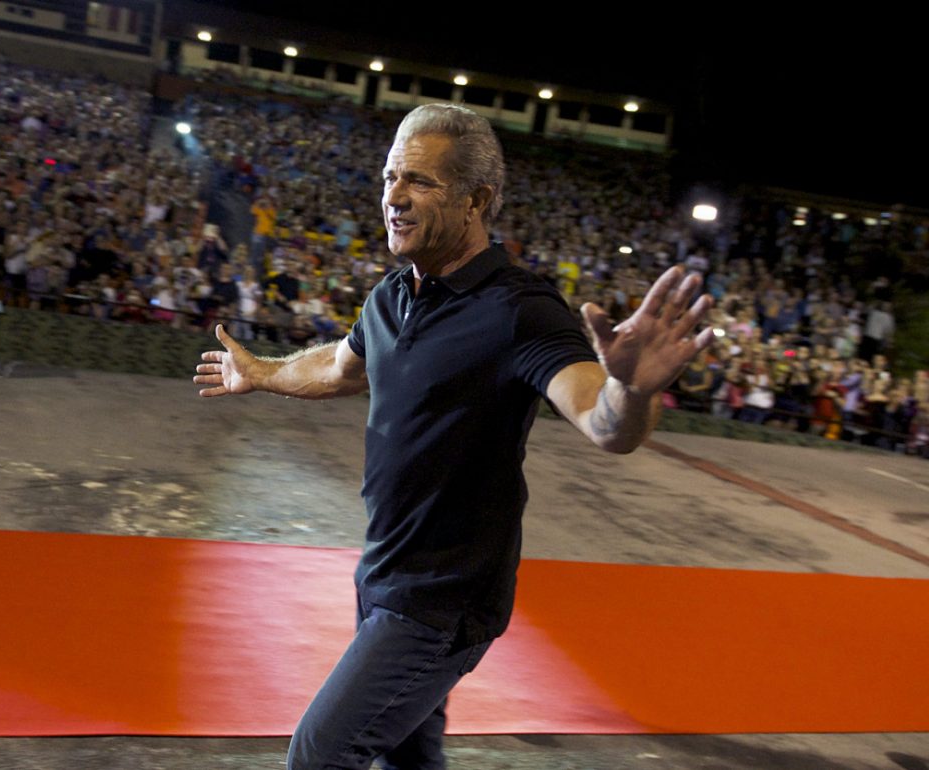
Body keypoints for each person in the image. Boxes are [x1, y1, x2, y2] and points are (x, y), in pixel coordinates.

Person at [193, 104, 714, 770]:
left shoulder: (520, 310)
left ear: (476, 200)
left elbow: (600, 419)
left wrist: (632, 389)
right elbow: (340, 367)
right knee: (407, 759)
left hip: (443, 601)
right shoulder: (390, 297)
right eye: (389, 178)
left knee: (319, 756)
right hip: (381, 576)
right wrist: (261, 372)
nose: (394, 197)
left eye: (419, 181)